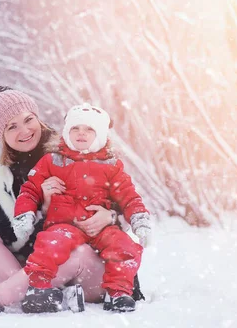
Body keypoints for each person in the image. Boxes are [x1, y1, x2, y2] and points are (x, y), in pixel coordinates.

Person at [0, 87, 143, 314]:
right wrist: (45, 208)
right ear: (2, 135)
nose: (25, 130)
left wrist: (112, 215)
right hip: (42, 265)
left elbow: (124, 194)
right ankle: (48, 295)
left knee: (77, 251)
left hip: (91, 271)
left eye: (28, 119)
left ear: (37, 117)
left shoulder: (76, 146)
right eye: (12, 126)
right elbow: (14, 240)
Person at [13, 103, 152, 312]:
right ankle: (39, 289)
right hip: (64, 224)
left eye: (89, 129)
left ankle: (119, 293)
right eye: (75, 128)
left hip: (102, 227)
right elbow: (30, 189)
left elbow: (129, 196)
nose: (81, 134)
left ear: (101, 135)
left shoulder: (111, 165)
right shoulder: (53, 161)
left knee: (124, 247)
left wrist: (139, 219)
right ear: (67, 132)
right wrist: (24, 214)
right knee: (50, 243)